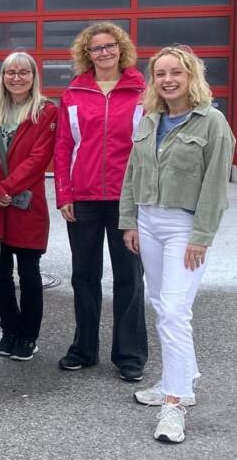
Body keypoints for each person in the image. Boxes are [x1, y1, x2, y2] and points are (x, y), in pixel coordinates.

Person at [120, 46, 234, 444]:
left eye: (176, 73)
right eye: (160, 74)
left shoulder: (212, 123)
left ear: (191, 77)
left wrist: (202, 237)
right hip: (148, 222)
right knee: (164, 305)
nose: (168, 80)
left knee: (172, 312)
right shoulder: (150, 121)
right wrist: (129, 221)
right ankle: (178, 376)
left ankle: (175, 402)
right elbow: (132, 175)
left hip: (184, 226)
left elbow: (216, 186)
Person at [54, 21, 149, 381]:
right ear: (86, 54)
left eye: (110, 46)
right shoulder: (75, 93)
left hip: (129, 200)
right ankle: (84, 349)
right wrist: (64, 192)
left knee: (130, 277)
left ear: (121, 49)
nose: (104, 52)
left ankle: (129, 355)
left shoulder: (142, 91)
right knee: (84, 276)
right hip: (85, 198)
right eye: (97, 48)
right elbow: (63, 146)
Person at [0, 52, 58, 361]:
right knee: (0, 273)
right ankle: (8, 330)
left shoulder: (46, 111)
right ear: (2, 77)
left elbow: (38, 160)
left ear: (33, 76)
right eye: (10, 72)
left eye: (23, 72)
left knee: (28, 272)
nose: (16, 77)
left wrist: (6, 189)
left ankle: (28, 335)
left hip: (25, 206)